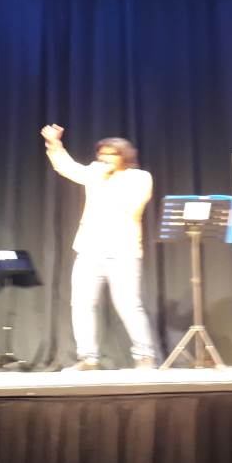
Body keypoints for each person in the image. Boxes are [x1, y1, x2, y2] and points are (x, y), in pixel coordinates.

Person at [41, 124, 157, 370]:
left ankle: (144, 356)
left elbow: (131, 207)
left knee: (128, 305)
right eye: (101, 154)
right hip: (89, 250)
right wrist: (54, 143)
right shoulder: (95, 173)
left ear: (124, 156)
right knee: (82, 304)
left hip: (123, 252)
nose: (104, 159)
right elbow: (67, 167)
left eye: (111, 154)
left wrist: (104, 179)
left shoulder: (139, 178)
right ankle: (88, 358)